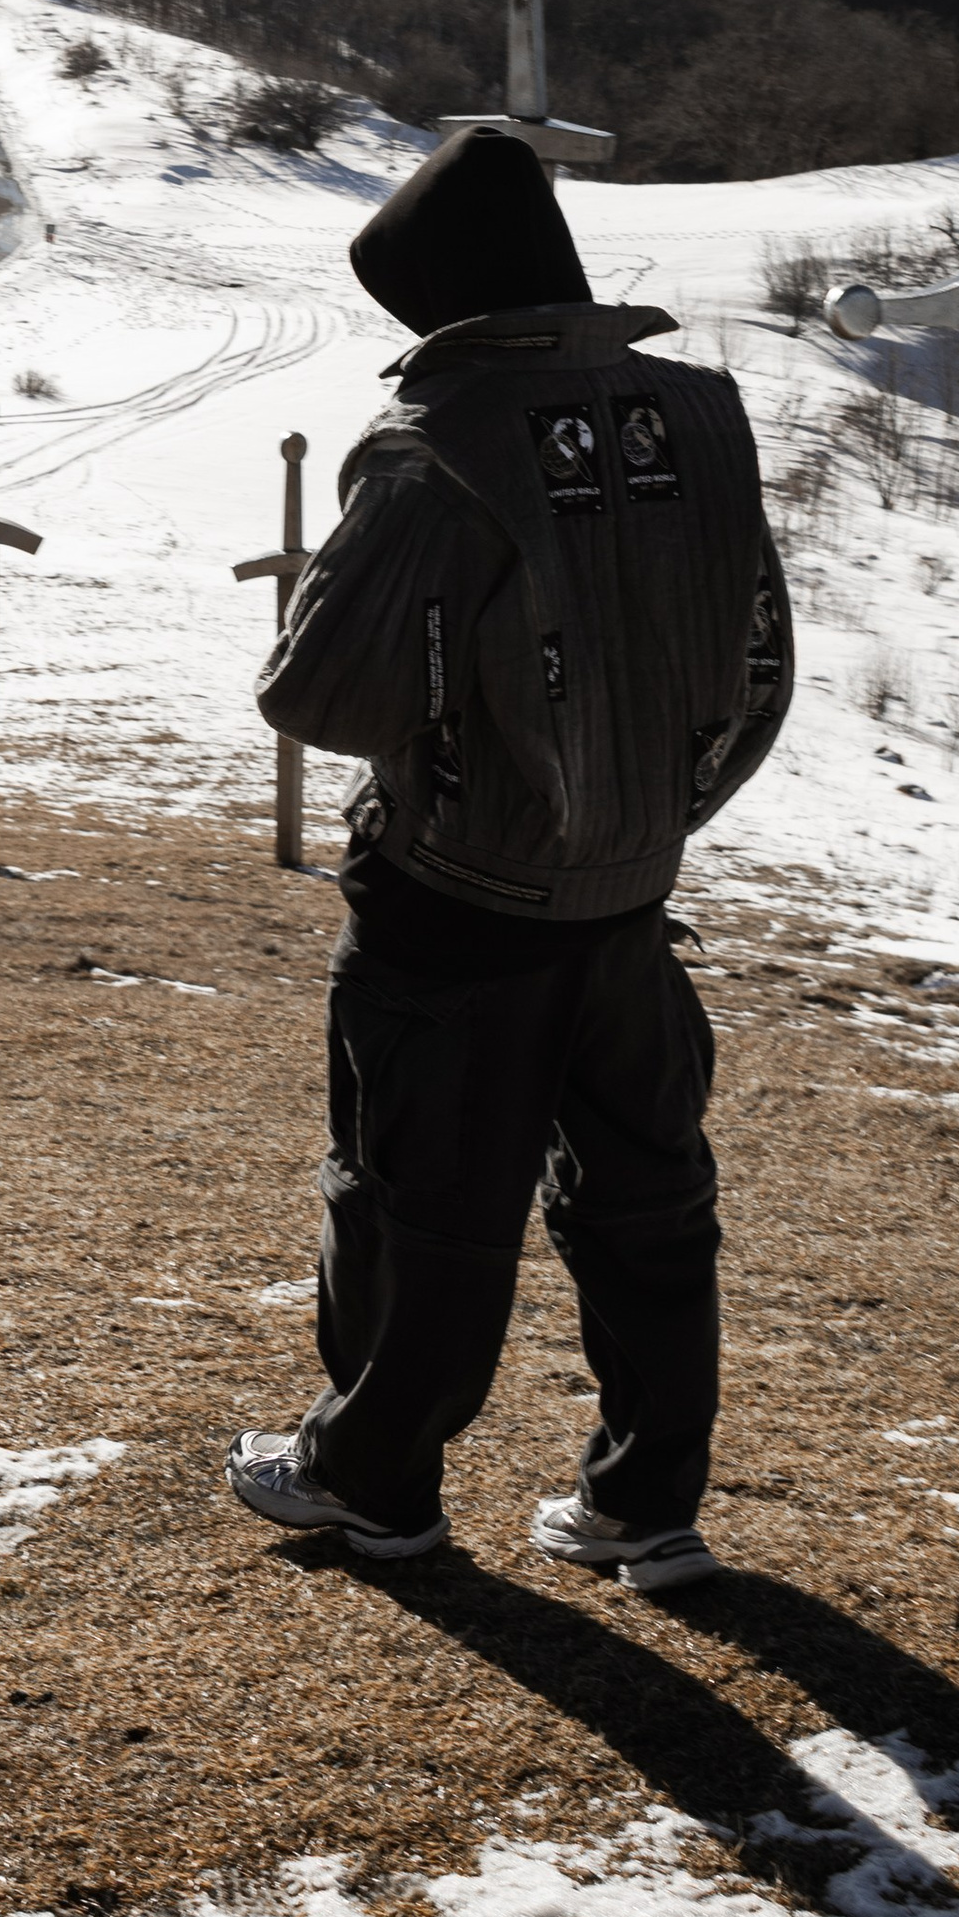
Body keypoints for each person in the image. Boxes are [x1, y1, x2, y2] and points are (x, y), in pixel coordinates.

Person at [225, 124, 792, 1584]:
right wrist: (645, 814)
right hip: (629, 902)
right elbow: (762, 667)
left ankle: (374, 1482)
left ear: (441, 294)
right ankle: (645, 1504)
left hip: (455, 898)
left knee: (424, 1202)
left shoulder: (438, 448)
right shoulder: (702, 416)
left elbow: (320, 694)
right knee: (650, 1204)